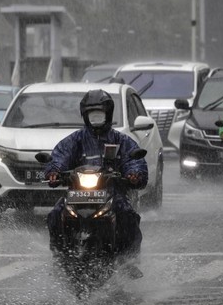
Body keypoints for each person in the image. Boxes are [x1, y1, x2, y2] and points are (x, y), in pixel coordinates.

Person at [44, 89, 148, 255]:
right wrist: (54, 171)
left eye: (99, 115)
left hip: (112, 193)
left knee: (127, 215)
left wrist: (134, 174)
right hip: (77, 194)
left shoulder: (121, 140)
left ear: (108, 115)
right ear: (85, 116)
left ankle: (129, 258)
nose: (96, 120)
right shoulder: (75, 140)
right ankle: (60, 253)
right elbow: (60, 156)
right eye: (92, 115)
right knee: (56, 213)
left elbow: (133, 159)